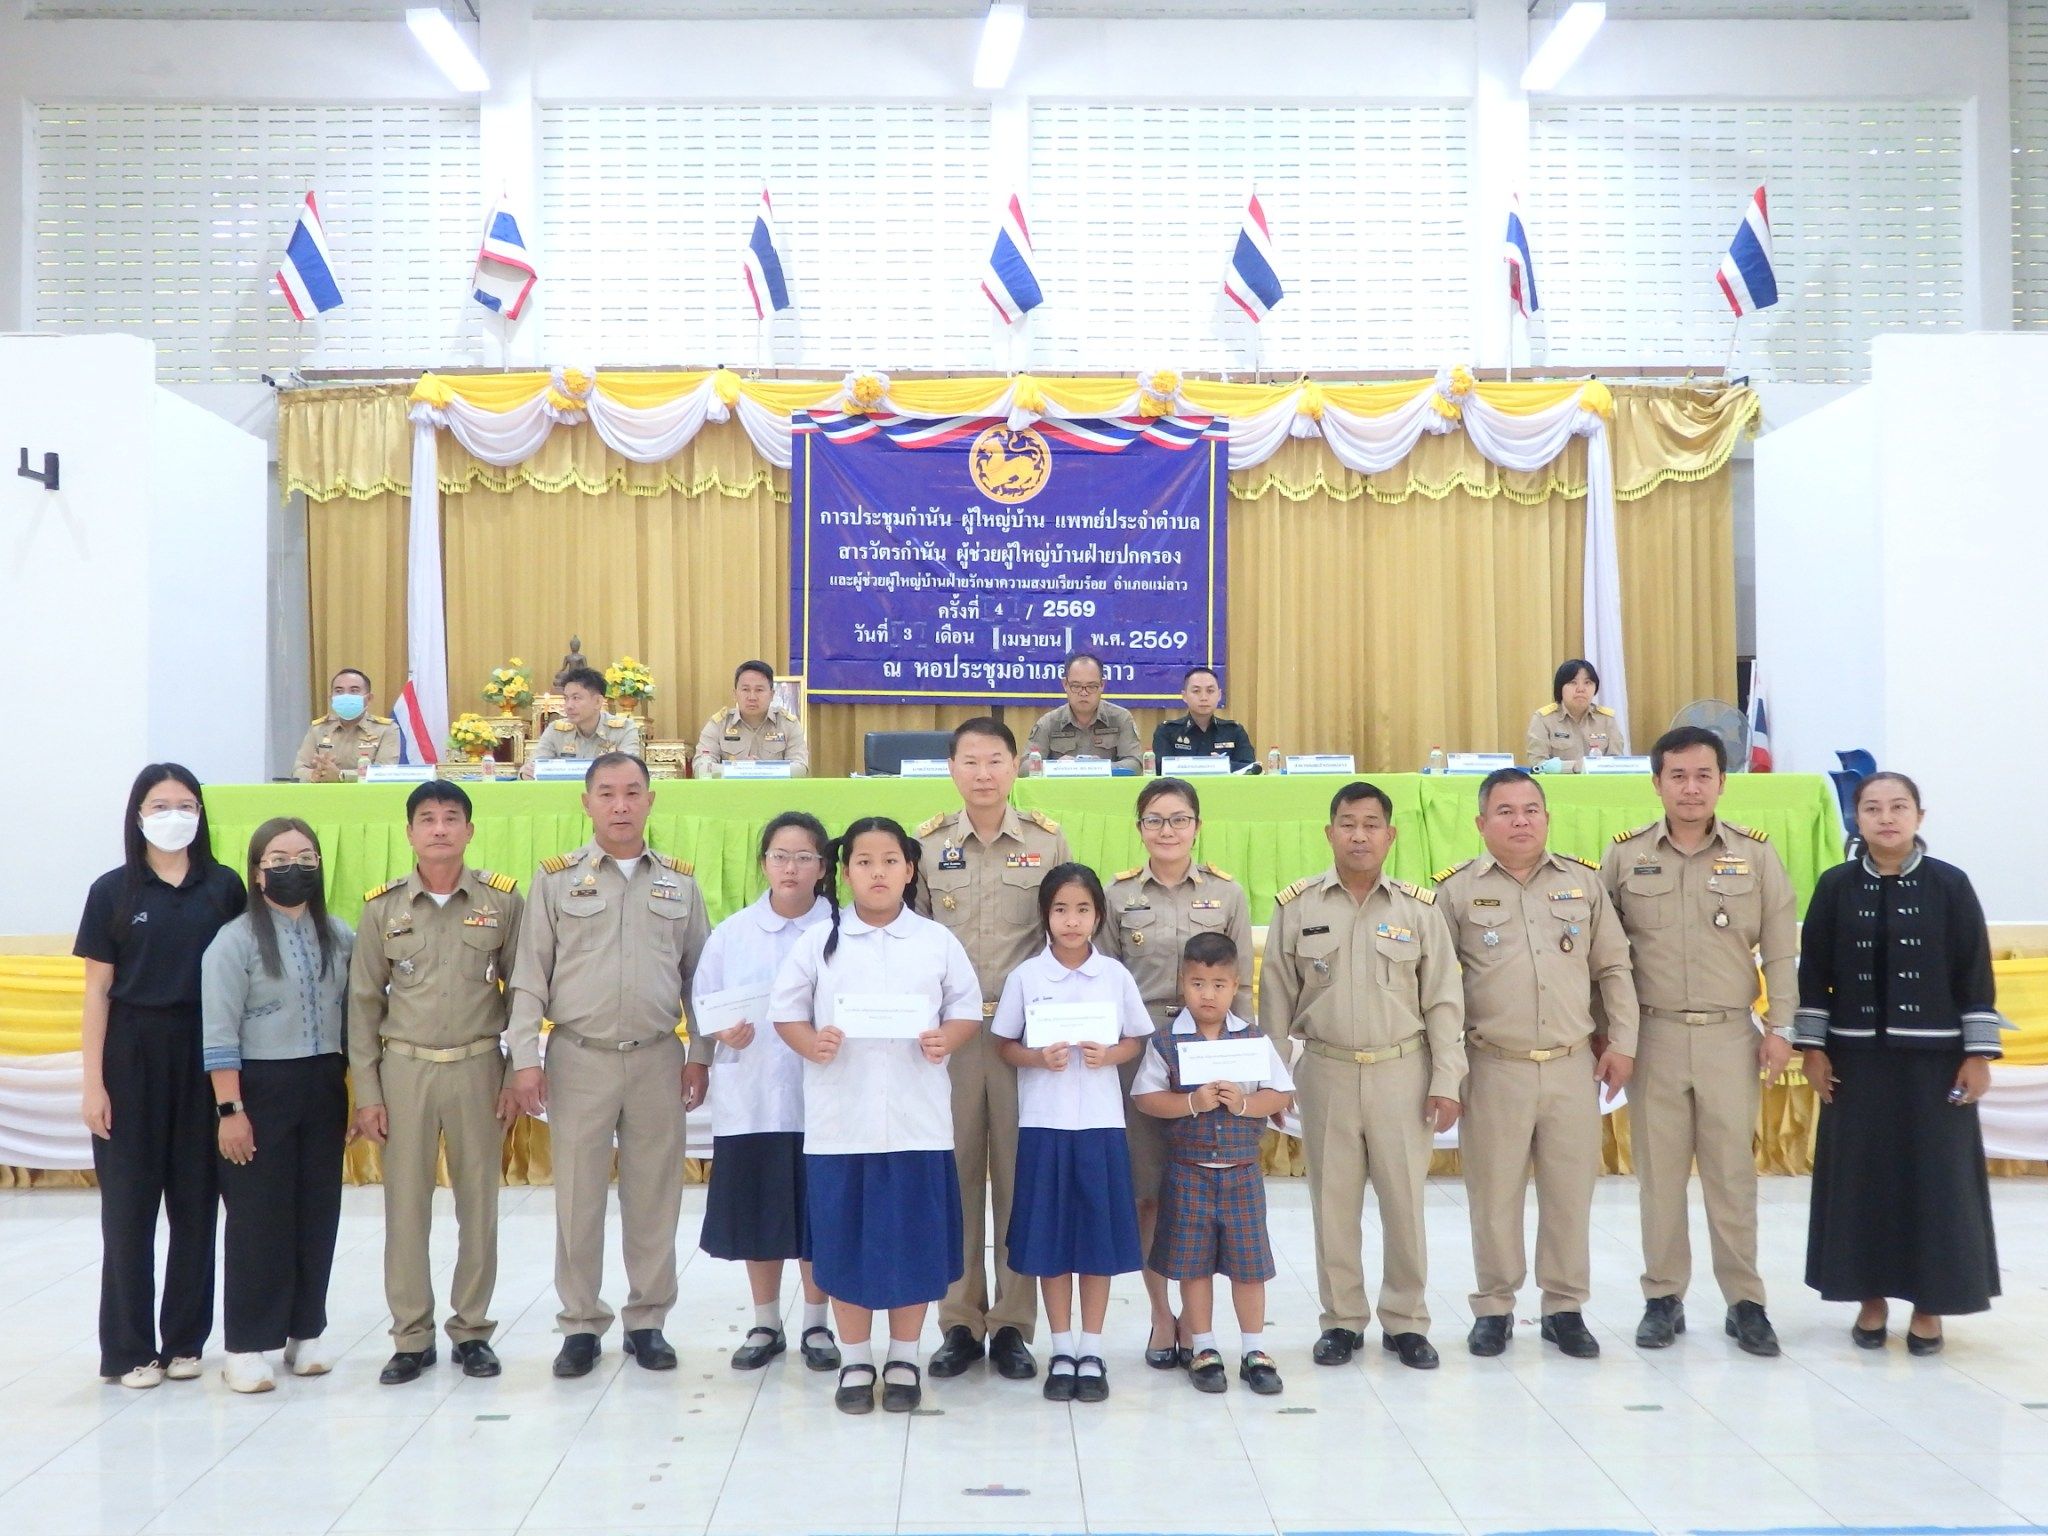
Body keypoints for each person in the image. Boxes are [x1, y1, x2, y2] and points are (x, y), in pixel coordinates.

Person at [506, 752, 710, 1378]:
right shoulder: (555, 881)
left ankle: (648, 1320)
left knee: (654, 1195)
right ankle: (581, 1325)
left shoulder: (680, 882)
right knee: (578, 1197)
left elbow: (700, 978)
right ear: (586, 802)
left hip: (656, 1058)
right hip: (577, 1058)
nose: (620, 805)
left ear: (651, 800)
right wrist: (523, 1060)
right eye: (607, 794)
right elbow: (529, 977)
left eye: (632, 793)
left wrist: (699, 1054)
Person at [771, 818, 982, 1414]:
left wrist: (948, 1037)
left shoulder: (937, 942)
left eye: (890, 860)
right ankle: (858, 1359)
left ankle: (905, 1358)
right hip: (843, 1123)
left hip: (917, 1123)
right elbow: (786, 1012)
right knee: (844, 1244)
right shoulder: (816, 943)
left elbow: (966, 1008)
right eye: (864, 861)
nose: (878, 872)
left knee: (912, 1243)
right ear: (844, 873)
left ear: (910, 869)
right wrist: (811, 1044)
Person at [1601, 726, 1798, 1358]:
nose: (1691, 788)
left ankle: (1746, 1301)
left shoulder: (1756, 856)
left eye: (1703, 775)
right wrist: (1611, 1034)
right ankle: (1663, 1298)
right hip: (1653, 1036)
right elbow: (1606, 958)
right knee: (1658, 1176)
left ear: (1721, 781)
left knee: (1732, 1175)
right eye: (1677, 776)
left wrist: (1782, 1027)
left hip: (1728, 1037)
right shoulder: (1624, 857)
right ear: (1656, 782)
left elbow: (1782, 948)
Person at [1260, 781, 1465, 1371]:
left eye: (1372, 824)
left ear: (1390, 835)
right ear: (1329, 833)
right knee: (1333, 1204)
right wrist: (1274, 1079)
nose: (1359, 835)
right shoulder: (1297, 907)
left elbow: (1445, 1002)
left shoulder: (1418, 910)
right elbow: (1274, 1000)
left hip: (1403, 1069)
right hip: (1324, 1069)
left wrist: (1446, 1079)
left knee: (1405, 1204)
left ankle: (1406, 1321)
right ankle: (1342, 1321)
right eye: (1347, 823)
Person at [1795, 771, 2003, 1354]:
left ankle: (1931, 1306)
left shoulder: (1949, 885)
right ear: (1855, 819)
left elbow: (1975, 974)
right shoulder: (1835, 886)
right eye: (1872, 808)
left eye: (1898, 807)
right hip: (1855, 1064)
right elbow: (1813, 975)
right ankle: (1869, 1301)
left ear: (1919, 815)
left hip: (1935, 1065)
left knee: (1936, 1185)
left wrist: (1978, 1054)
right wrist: (1812, 1049)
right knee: (1863, 1184)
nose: (1886, 818)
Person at [1435, 768, 1638, 1359]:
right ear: (1480, 823)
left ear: (1547, 817)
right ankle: (1494, 1306)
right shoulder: (1455, 893)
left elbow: (1614, 969)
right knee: (1493, 1194)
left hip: (1574, 1063)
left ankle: (1564, 1306)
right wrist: (1450, 1071)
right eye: (1505, 811)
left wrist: (1621, 1041)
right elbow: (1441, 991)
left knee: (1570, 1192)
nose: (1520, 821)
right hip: (1493, 1065)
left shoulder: (1583, 883)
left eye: (1531, 809)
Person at [347, 781, 524, 1386]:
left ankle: (472, 1331)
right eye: (428, 819)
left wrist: (517, 1069)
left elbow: (522, 990)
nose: (441, 828)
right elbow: (364, 1005)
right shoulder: (383, 909)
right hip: (406, 1071)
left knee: (479, 1204)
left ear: (471, 831)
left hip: (478, 1067)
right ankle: (411, 1336)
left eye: (453, 818)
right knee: (405, 1208)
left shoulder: (502, 901)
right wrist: (367, 1093)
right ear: (411, 832)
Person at [76, 765, 246, 1389]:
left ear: (200, 813)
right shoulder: (112, 891)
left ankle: (184, 1341)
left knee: (198, 1205)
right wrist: (93, 1083)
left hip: (204, 1054)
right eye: (159, 803)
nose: (172, 813)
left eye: (184, 803)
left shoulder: (224, 888)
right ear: (138, 814)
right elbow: (97, 992)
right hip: (131, 1053)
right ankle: (127, 1349)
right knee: (128, 1211)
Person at [913, 717, 1068, 1381]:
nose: (983, 773)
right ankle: (956, 1321)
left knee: (1016, 1180)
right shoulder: (925, 846)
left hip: (1016, 1038)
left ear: (1016, 767)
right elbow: (912, 942)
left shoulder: (1046, 840)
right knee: (952, 1181)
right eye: (970, 761)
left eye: (995, 760)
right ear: (952, 769)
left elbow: (1065, 932)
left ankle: (1011, 1324)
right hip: (948, 1040)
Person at [1099, 776, 1253, 1368]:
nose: (1168, 830)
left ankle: (1198, 1322)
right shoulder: (1116, 897)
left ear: (1197, 826)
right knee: (1149, 1197)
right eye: (1155, 820)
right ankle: (1163, 1318)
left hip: (1211, 1053)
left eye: (1179, 819)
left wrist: (1247, 1066)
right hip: (1144, 1054)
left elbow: (1239, 992)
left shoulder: (1227, 893)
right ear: (1139, 829)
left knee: (1200, 1189)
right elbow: (1107, 981)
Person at [201, 818, 354, 1394]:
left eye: (307, 856)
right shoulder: (234, 940)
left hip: (322, 1085)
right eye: (281, 858)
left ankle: (305, 1332)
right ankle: (245, 1344)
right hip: (257, 1090)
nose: (296, 867)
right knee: (257, 1218)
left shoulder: (340, 935)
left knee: (317, 1211)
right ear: (259, 872)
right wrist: (229, 1110)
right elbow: (218, 1033)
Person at [991, 865, 1152, 1403]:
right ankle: (1061, 1346)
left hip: (1101, 1126)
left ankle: (1092, 1347)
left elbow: (1135, 1038)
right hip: (1044, 1125)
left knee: (1098, 1241)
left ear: (1098, 916)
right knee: (1053, 1240)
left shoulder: (1114, 977)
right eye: (1061, 909)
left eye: (1083, 909)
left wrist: (1112, 1054)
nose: (1072, 920)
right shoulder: (1026, 978)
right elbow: (1005, 1044)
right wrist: (1037, 1057)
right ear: (1045, 916)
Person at [691, 811, 840, 1374]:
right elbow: (705, 1006)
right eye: (781, 856)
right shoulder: (732, 933)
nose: (792, 868)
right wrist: (721, 1032)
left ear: (823, 868)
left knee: (816, 1214)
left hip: (824, 1098)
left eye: (805, 858)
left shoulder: (842, 930)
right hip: (751, 1097)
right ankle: (764, 1320)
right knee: (760, 1213)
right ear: (764, 864)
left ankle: (817, 1322)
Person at [1132, 932, 1294, 1396]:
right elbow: (1145, 1097)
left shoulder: (1253, 1038)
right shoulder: (1167, 1042)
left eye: (1219, 984)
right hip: (1188, 1170)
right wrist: (1191, 1104)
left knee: (1249, 1267)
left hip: (1242, 1172)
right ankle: (1202, 1346)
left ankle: (1254, 1349)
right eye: (1198, 983)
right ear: (1183, 983)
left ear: (1236, 984)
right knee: (1193, 1266)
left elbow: (1279, 1093)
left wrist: (1244, 1104)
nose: (1208, 994)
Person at [692, 659, 810, 778]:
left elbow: (800, 768)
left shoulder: (788, 724)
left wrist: (759, 770)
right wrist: (739, 769)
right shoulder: (718, 724)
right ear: (735, 694)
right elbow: (700, 769)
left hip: (775, 794)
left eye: (759, 690)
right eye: (745, 689)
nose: (752, 697)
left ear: (772, 694)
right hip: (731, 794)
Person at [1026, 652, 1142, 770]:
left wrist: (1100, 768)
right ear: (1065, 684)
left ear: (1102, 685)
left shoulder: (1121, 718)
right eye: (1076, 686)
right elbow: (1025, 768)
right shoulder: (1049, 723)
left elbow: (1135, 765)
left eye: (1091, 686)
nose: (1084, 693)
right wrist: (1056, 767)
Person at [526, 664, 643, 774]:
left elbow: (631, 771)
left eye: (576, 698)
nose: (568, 706)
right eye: (566, 698)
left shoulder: (624, 729)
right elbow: (533, 768)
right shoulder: (555, 730)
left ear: (598, 702)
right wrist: (526, 774)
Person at [293, 667, 399, 782]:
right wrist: (315, 774)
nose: (346, 696)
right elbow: (298, 770)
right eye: (339, 691)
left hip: (366, 798)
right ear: (331, 698)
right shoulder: (318, 729)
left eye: (354, 691)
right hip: (323, 797)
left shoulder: (386, 730)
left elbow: (384, 774)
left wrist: (341, 776)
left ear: (369, 698)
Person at [1525, 658, 1625, 772]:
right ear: (1560, 687)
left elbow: (1617, 762)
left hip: (1599, 787)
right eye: (1573, 682)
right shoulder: (1543, 719)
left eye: (1587, 683)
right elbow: (1537, 764)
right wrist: (1574, 767)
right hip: (1557, 787)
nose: (1581, 689)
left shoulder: (1606, 719)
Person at [1149, 666, 1253, 772]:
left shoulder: (1234, 731)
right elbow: (1160, 768)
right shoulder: (1167, 731)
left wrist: (1224, 765)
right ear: (1184, 696)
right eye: (1196, 691)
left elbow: (1251, 769)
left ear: (1219, 695)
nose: (1204, 697)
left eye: (1210, 691)